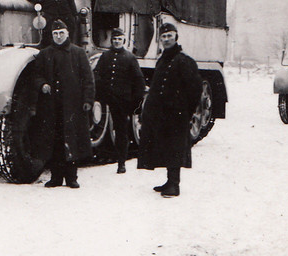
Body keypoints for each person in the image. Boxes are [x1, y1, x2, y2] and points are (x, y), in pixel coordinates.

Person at [137, 22, 202, 197]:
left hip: (177, 114)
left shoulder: (184, 61)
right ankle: (169, 180)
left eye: (169, 36)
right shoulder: (162, 60)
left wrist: (185, 111)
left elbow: (195, 89)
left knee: (175, 148)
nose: (166, 39)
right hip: (161, 114)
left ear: (176, 37)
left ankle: (175, 185)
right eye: (163, 37)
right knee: (166, 146)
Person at [29, 19, 95, 188]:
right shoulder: (45, 54)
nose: (58, 37)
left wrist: (88, 100)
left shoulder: (78, 53)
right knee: (54, 141)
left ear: (67, 34)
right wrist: (42, 85)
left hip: (72, 106)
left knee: (72, 140)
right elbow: (36, 75)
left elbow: (88, 79)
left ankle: (72, 178)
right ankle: (56, 177)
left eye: (61, 33)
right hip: (51, 107)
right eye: (55, 34)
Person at [93, 28, 146, 174]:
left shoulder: (129, 58)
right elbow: (97, 73)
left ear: (123, 41)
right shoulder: (105, 56)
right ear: (112, 40)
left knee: (121, 132)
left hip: (122, 101)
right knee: (103, 126)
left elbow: (139, 81)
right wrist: (101, 90)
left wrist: (135, 103)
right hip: (107, 99)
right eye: (114, 39)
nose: (116, 41)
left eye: (119, 39)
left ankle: (121, 163)